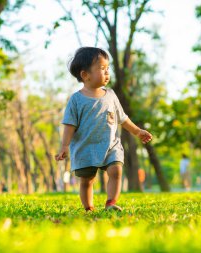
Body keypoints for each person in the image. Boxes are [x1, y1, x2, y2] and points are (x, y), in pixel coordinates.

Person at [55, 47, 153, 212]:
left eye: (108, 68)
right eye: (102, 69)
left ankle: (111, 203)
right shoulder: (76, 100)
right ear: (85, 75)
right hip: (85, 147)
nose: (107, 72)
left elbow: (123, 118)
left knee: (116, 171)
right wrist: (65, 146)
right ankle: (89, 208)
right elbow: (69, 124)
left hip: (110, 145)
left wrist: (137, 131)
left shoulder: (111, 95)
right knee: (87, 180)